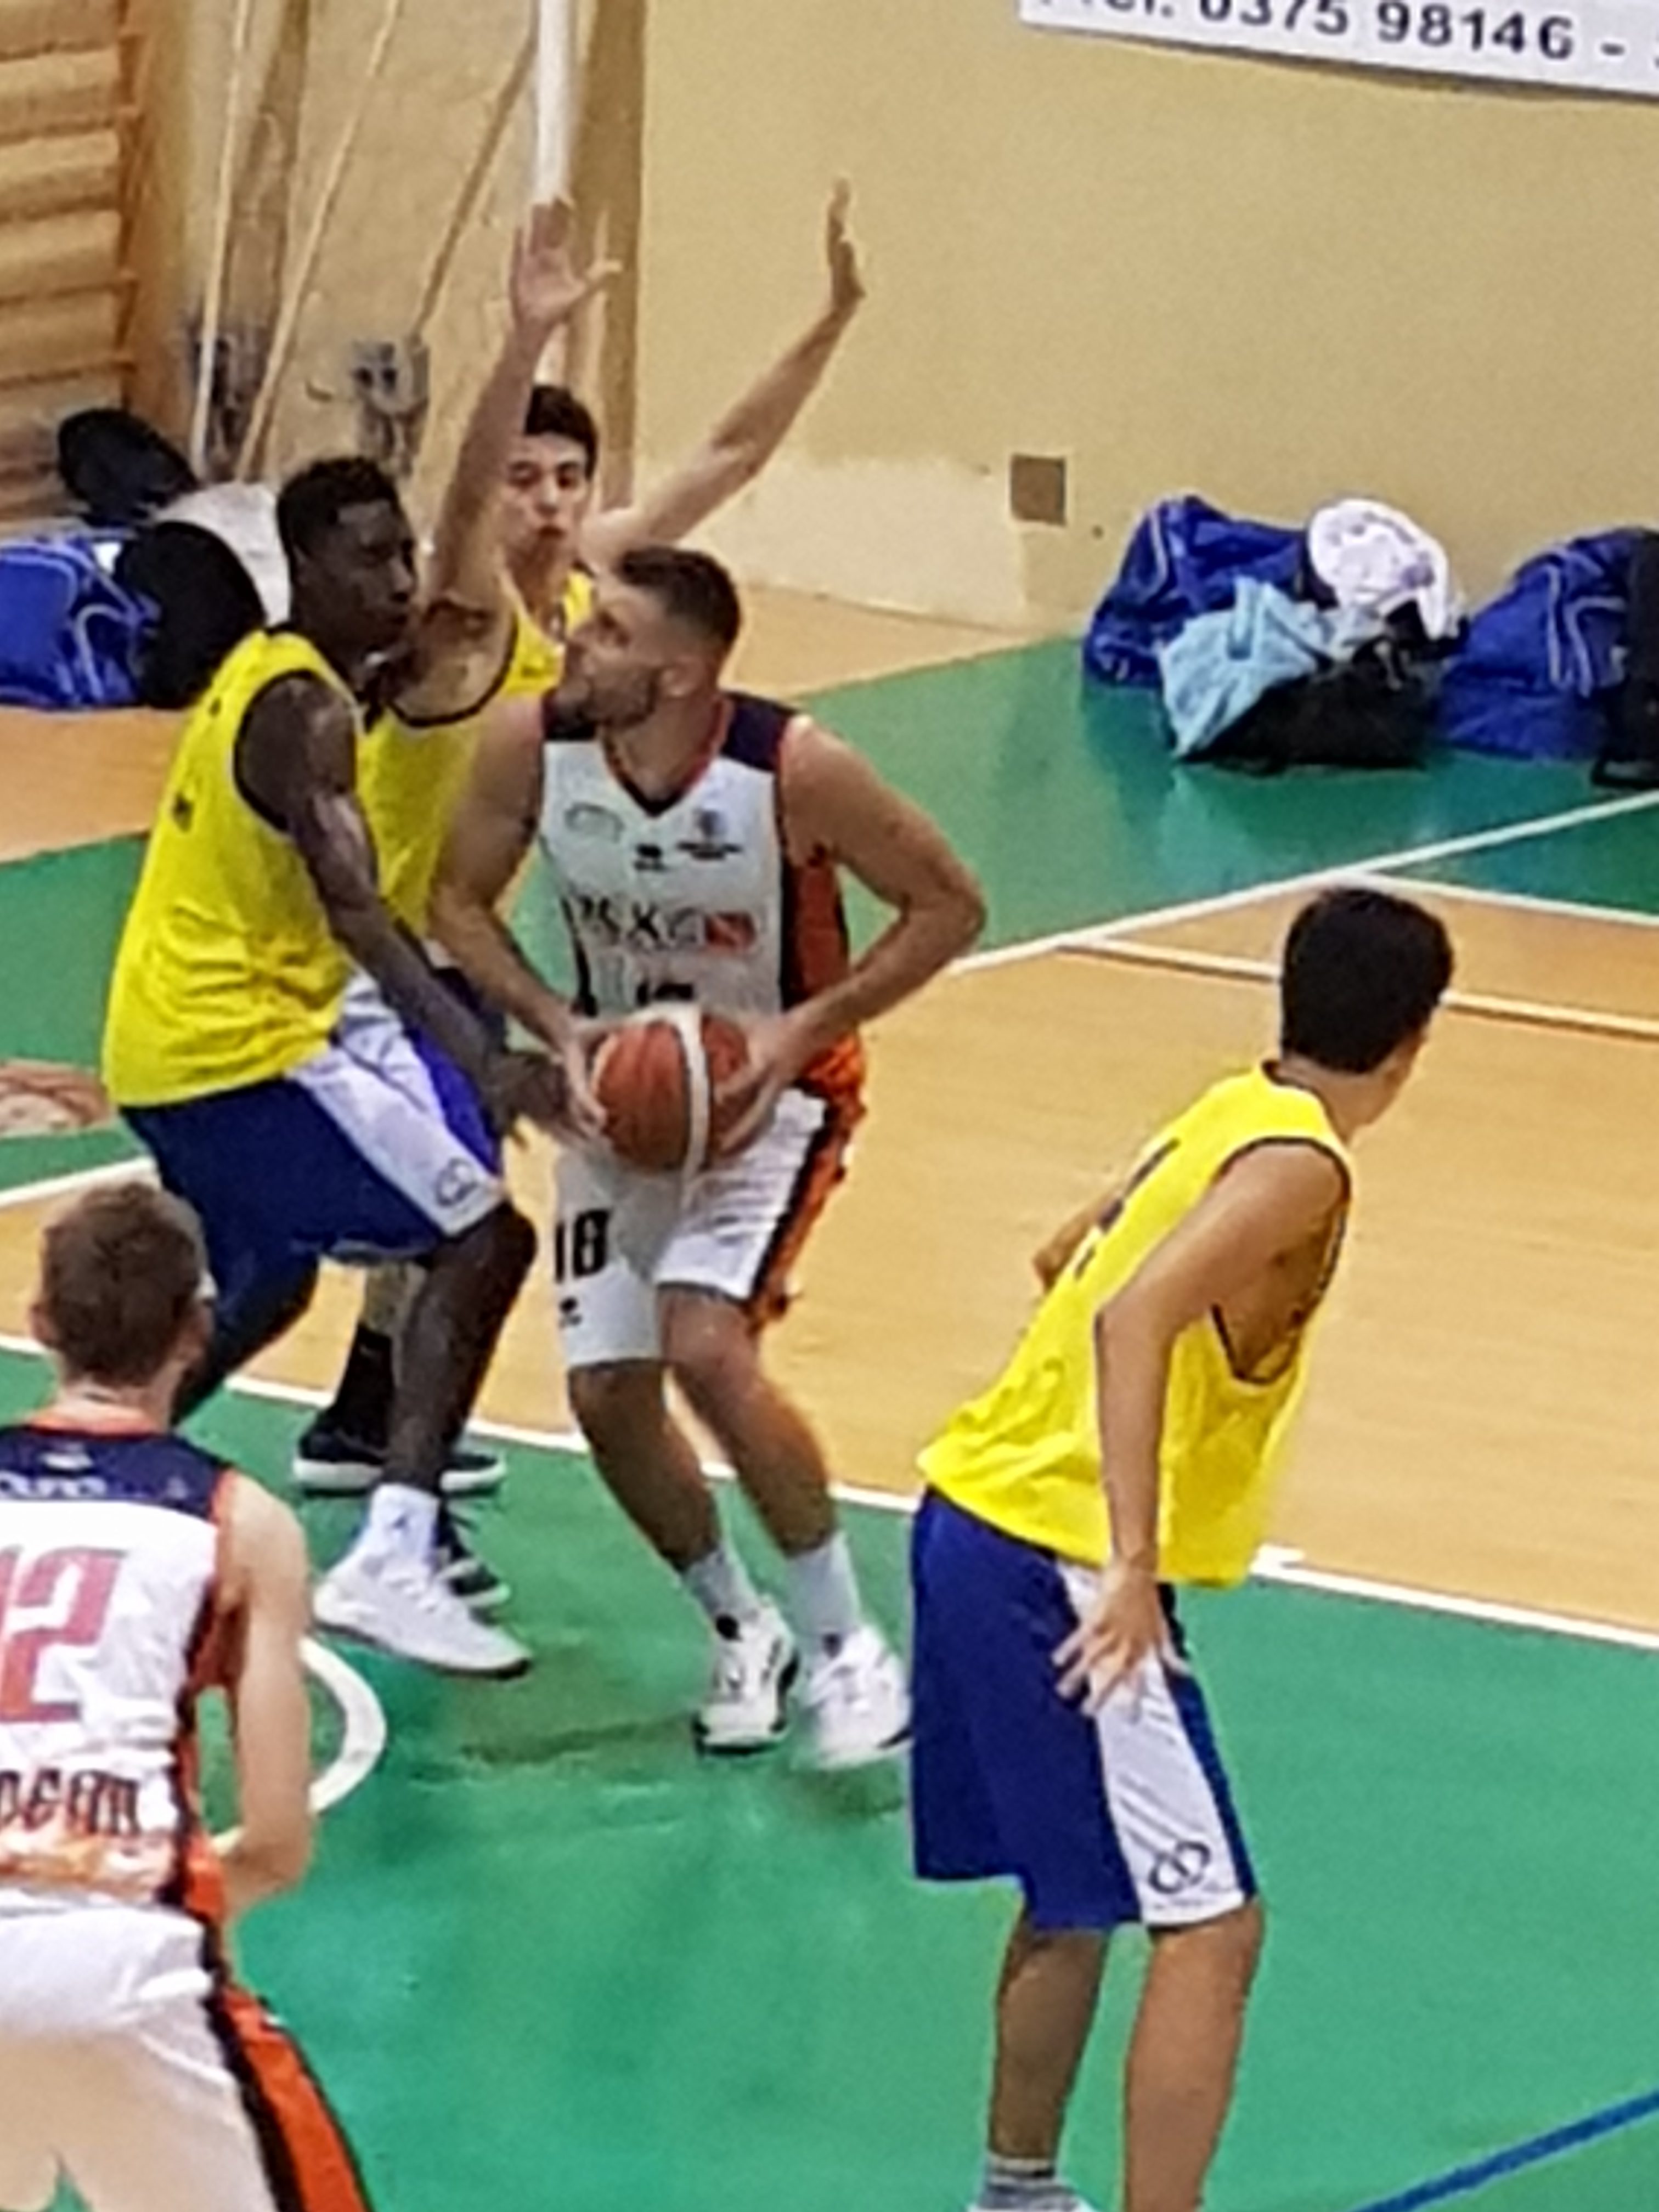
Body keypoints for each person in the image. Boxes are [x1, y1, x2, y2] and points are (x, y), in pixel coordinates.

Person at [298, 184, 871, 1498]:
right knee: (452, 1215)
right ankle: (385, 1480)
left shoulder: (598, 595)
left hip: (455, 938)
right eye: (524, 479)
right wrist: (520, 338)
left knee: (459, 1196)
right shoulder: (456, 604)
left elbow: (730, 452)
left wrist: (832, 319)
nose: (549, 503)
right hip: (368, 942)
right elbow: (461, 506)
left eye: (568, 480)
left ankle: (364, 1426)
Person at [909, 887, 1453, 2212]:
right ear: (1413, 1042)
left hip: (974, 1519)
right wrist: (1132, 1560)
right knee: (1213, 1925)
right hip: (1060, 1558)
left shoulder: (1229, 1110)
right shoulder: (1303, 1167)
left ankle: (1017, 2192)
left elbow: (1064, 1259)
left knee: (1075, 1898)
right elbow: (1130, 1316)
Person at [432, 545, 986, 1765]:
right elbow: (455, 903)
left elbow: (951, 906)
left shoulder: (795, 769)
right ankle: (744, 1625)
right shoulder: (532, 744)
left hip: (770, 1102)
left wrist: (799, 1032)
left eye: (610, 633)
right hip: (623, 1097)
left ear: (680, 674)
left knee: (704, 1345)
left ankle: (847, 1647)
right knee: (605, 1395)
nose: (578, 644)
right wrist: (556, 1024)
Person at [99, 450, 575, 1677]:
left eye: (405, 553)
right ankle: (394, 1554)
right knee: (483, 1240)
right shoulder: (306, 715)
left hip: (163, 1042)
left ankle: (89, 1476)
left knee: (268, 1282)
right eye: (371, 559)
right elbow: (361, 912)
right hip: (239, 1049)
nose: (403, 580)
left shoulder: (284, 674)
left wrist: (396, 670)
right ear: (301, 568)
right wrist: (482, 1058)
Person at [0, 1183, 370, 2212]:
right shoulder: (240, 1524)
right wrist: (105, 1898)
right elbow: (279, 1842)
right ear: (197, 1333)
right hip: (122, 1969)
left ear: (40, 1322)